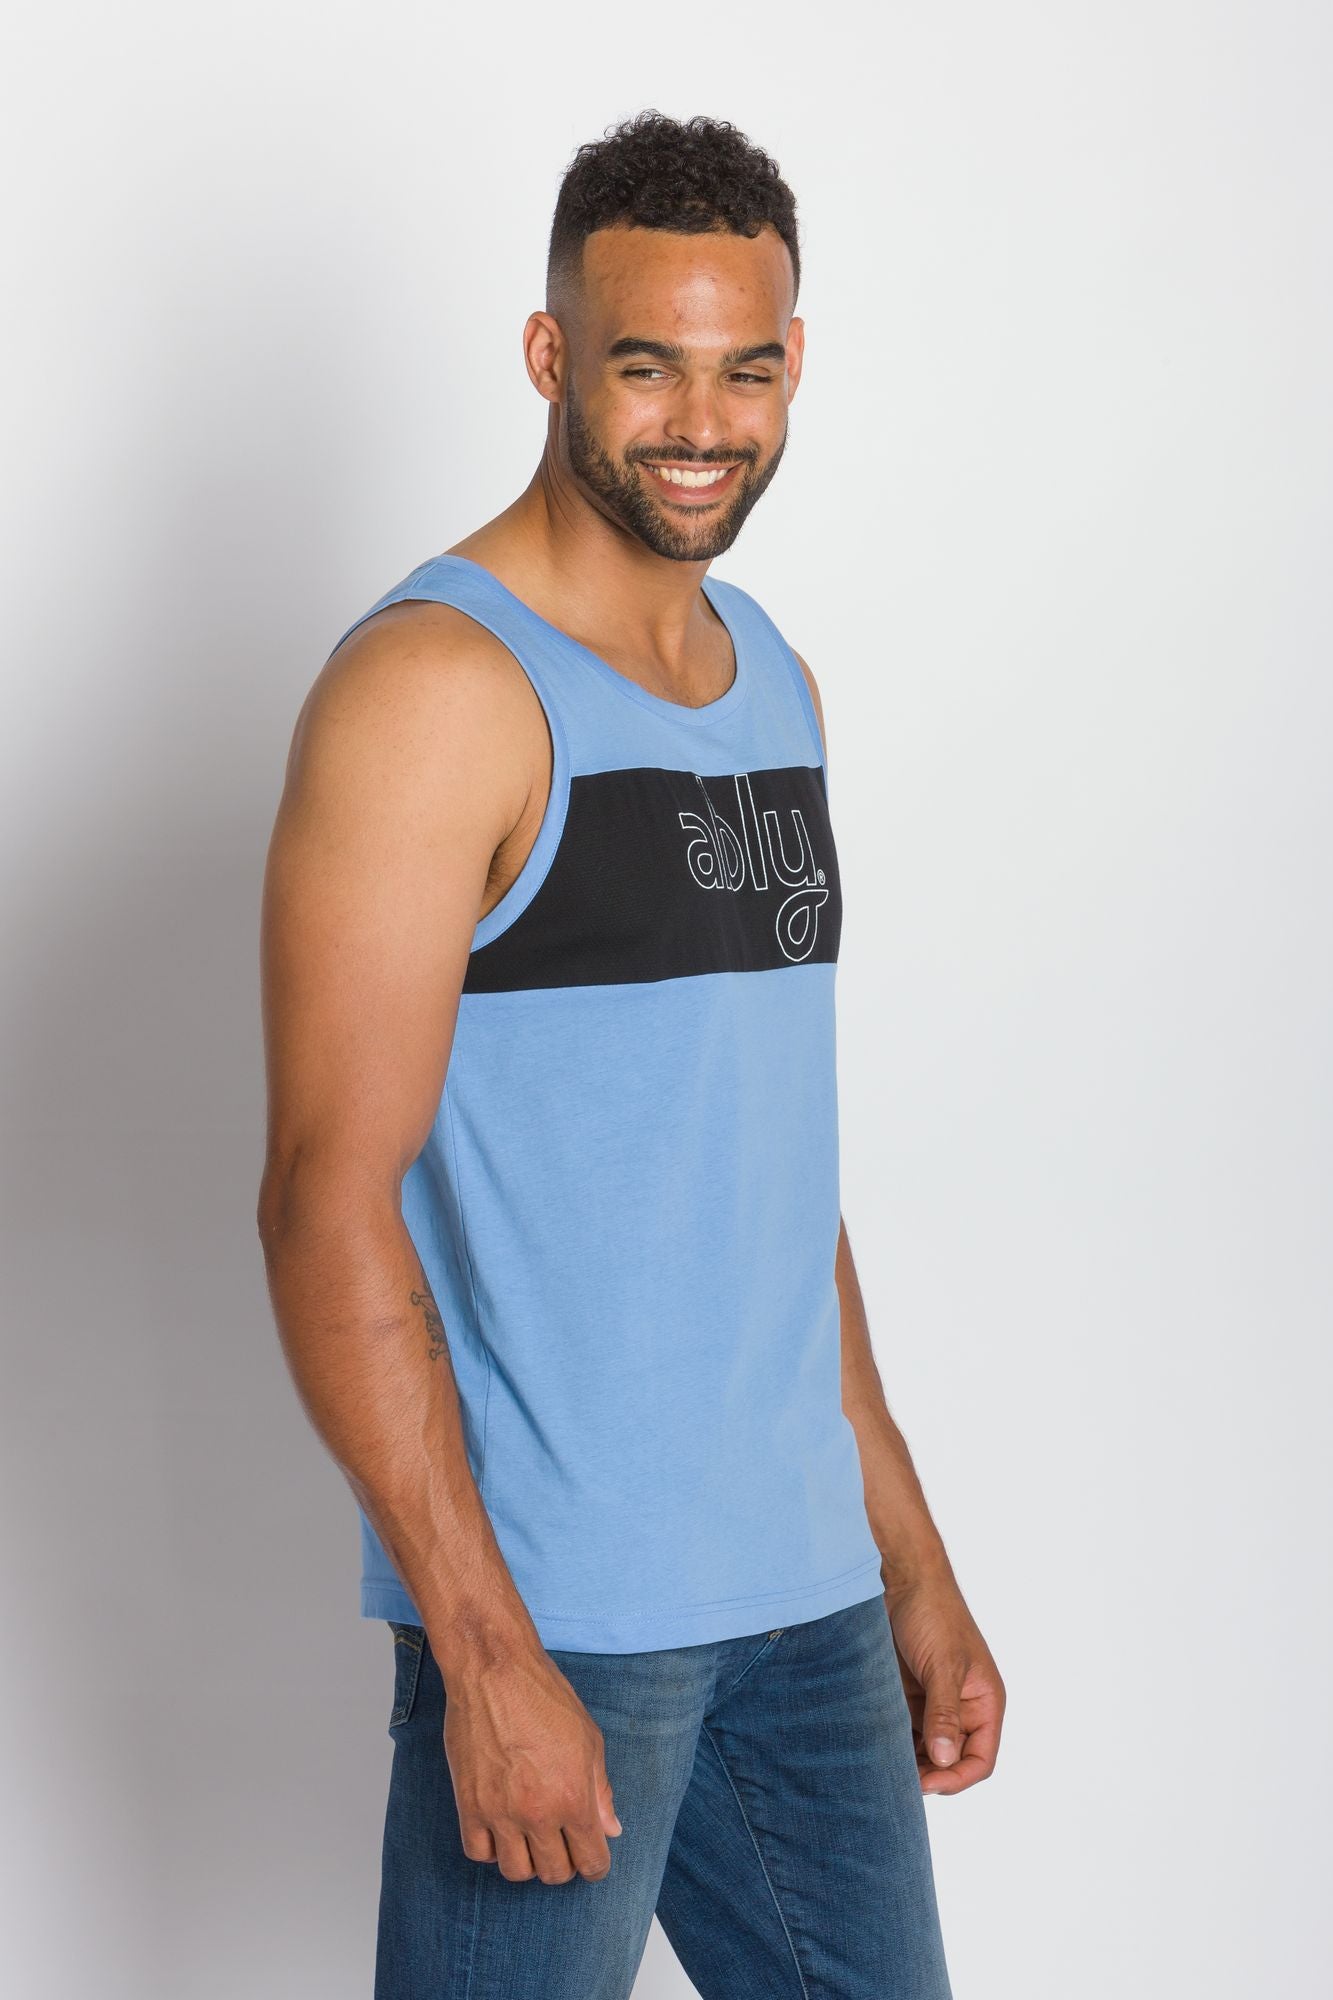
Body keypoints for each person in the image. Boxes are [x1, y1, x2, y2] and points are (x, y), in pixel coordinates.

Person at [258, 108, 1003, 2000]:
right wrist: (482, 1649)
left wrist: (906, 1556)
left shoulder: (771, 679)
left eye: (744, 369)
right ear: (549, 357)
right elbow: (324, 1202)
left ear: (794, 365)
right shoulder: (437, 694)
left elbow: (769, 1180)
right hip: (568, 1615)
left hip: (807, 1600)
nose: (700, 421)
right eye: (646, 364)